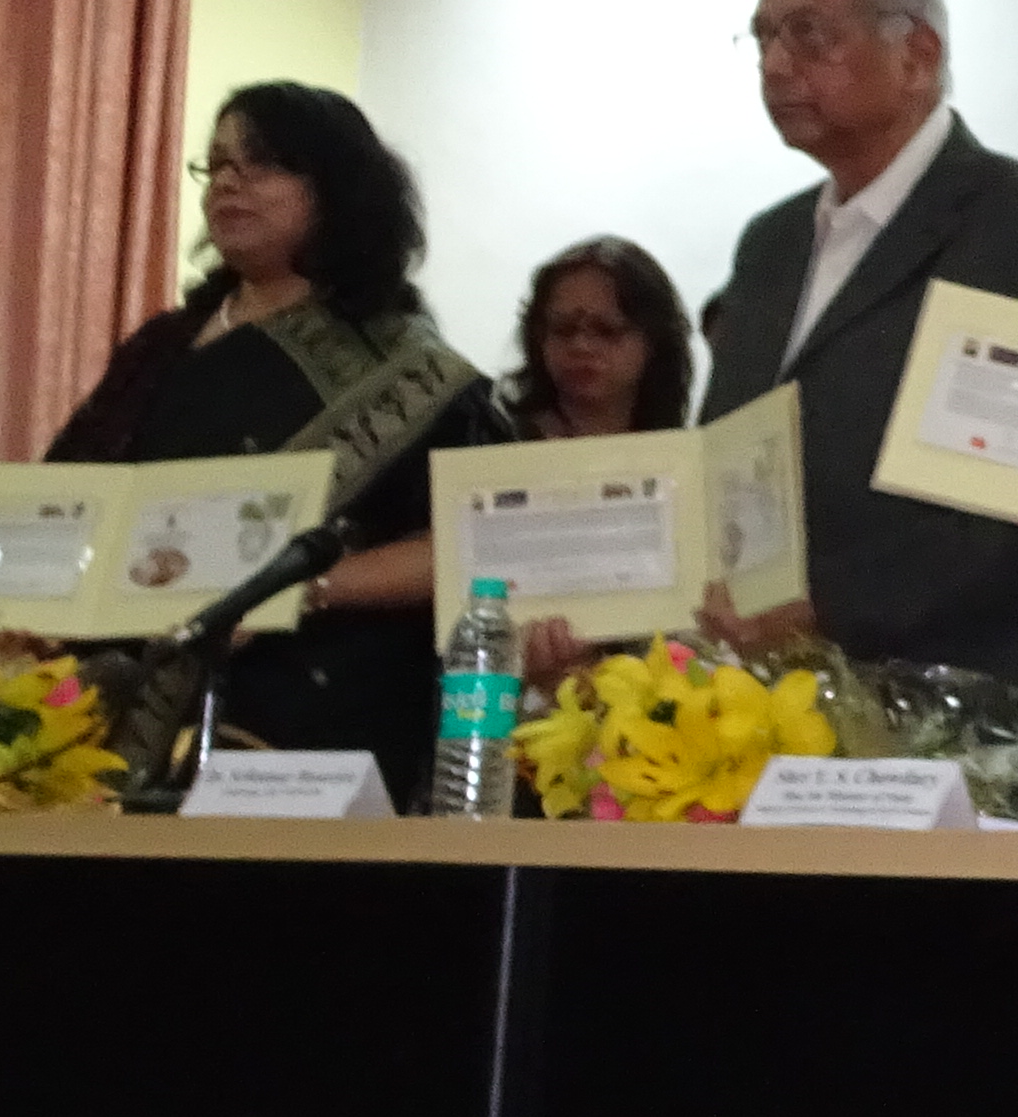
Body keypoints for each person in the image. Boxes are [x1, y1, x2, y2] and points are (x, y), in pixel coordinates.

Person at [47, 81, 513, 803]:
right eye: (216, 165)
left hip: (311, 723)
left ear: (335, 186)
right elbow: (69, 496)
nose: (228, 182)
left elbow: (478, 542)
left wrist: (299, 589)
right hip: (123, 718)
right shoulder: (160, 349)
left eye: (261, 163)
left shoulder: (407, 368)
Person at [696, 0, 1018, 690]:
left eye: (808, 34)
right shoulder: (771, 244)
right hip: (762, 701)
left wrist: (833, 604)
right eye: (763, 38)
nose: (775, 65)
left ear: (917, 53)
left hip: (959, 703)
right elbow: (723, 456)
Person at [498, 237, 693, 441]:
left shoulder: (681, 451)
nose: (581, 346)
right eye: (563, 329)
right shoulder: (493, 439)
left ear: (654, 341)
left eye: (606, 330)